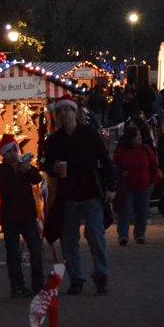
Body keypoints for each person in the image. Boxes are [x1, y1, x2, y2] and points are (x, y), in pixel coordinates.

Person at [40, 99, 116, 295]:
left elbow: (106, 161)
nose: (63, 113)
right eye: (60, 111)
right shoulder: (55, 140)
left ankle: (101, 275)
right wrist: (53, 169)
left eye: (67, 110)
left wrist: (110, 188)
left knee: (95, 235)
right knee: (68, 240)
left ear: (75, 112)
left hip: (91, 193)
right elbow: (47, 165)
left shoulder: (89, 134)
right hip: (68, 196)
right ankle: (76, 279)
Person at [0, 135, 45, 297]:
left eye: (14, 150)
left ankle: (39, 283)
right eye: (8, 151)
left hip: (28, 215)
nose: (12, 154)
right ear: (3, 154)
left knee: (36, 250)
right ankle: (17, 285)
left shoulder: (24, 165)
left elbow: (37, 178)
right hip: (10, 218)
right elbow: (6, 188)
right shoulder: (0, 170)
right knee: (14, 252)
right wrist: (18, 173)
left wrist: (28, 168)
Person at [112, 122, 159, 246]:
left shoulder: (145, 149)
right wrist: (120, 173)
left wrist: (153, 181)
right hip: (126, 185)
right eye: (136, 136)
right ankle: (123, 234)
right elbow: (114, 166)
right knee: (125, 210)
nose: (139, 139)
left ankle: (139, 234)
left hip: (143, 184)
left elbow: (154, 165)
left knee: (142, 211)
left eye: (139, 136)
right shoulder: (121, 151)